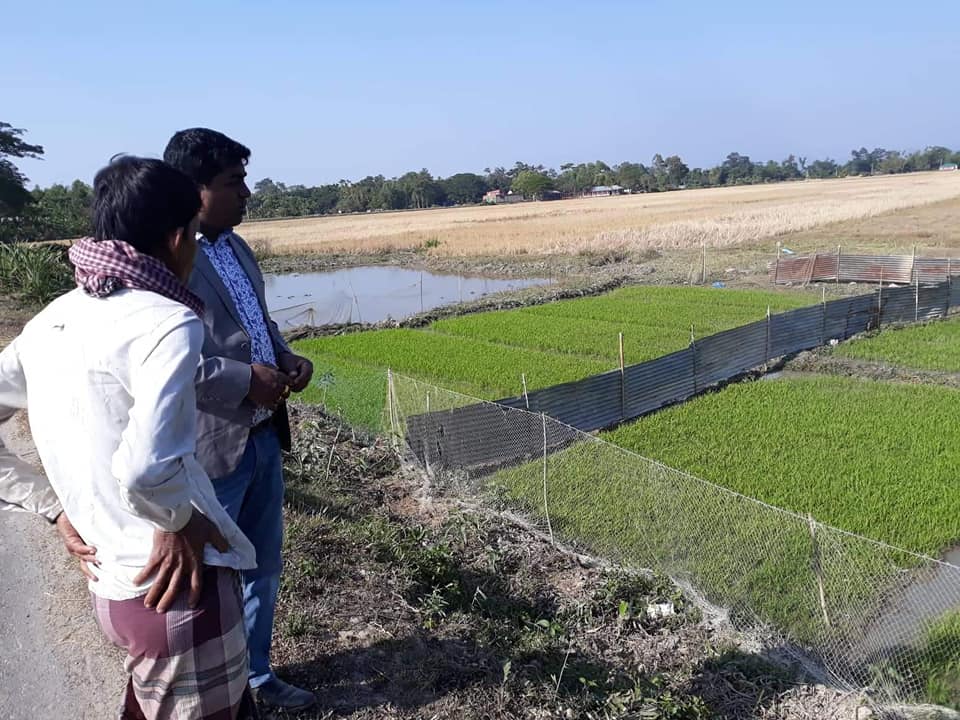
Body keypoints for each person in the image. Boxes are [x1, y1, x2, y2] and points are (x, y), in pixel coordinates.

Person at [0, 156, 258, 719]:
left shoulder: (52, 319)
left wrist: (53, 507)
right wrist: (179, 519)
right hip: (178, 590)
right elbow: (145, 469)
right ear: (177, 238)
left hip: (114, 591)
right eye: (193, 234)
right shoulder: (166, 321)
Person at [162, 128, 316, 710]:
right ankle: (207, 688)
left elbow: (258, 322)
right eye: (234, 182)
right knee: (205, 576)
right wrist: (244, 380)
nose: (247, 193)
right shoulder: (169, 257)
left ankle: (255, 676)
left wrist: (285, 357)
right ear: (193, 189)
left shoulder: (237, 247)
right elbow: (169, 363)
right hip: (212, 443)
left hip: (262, 434)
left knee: (262, 565)